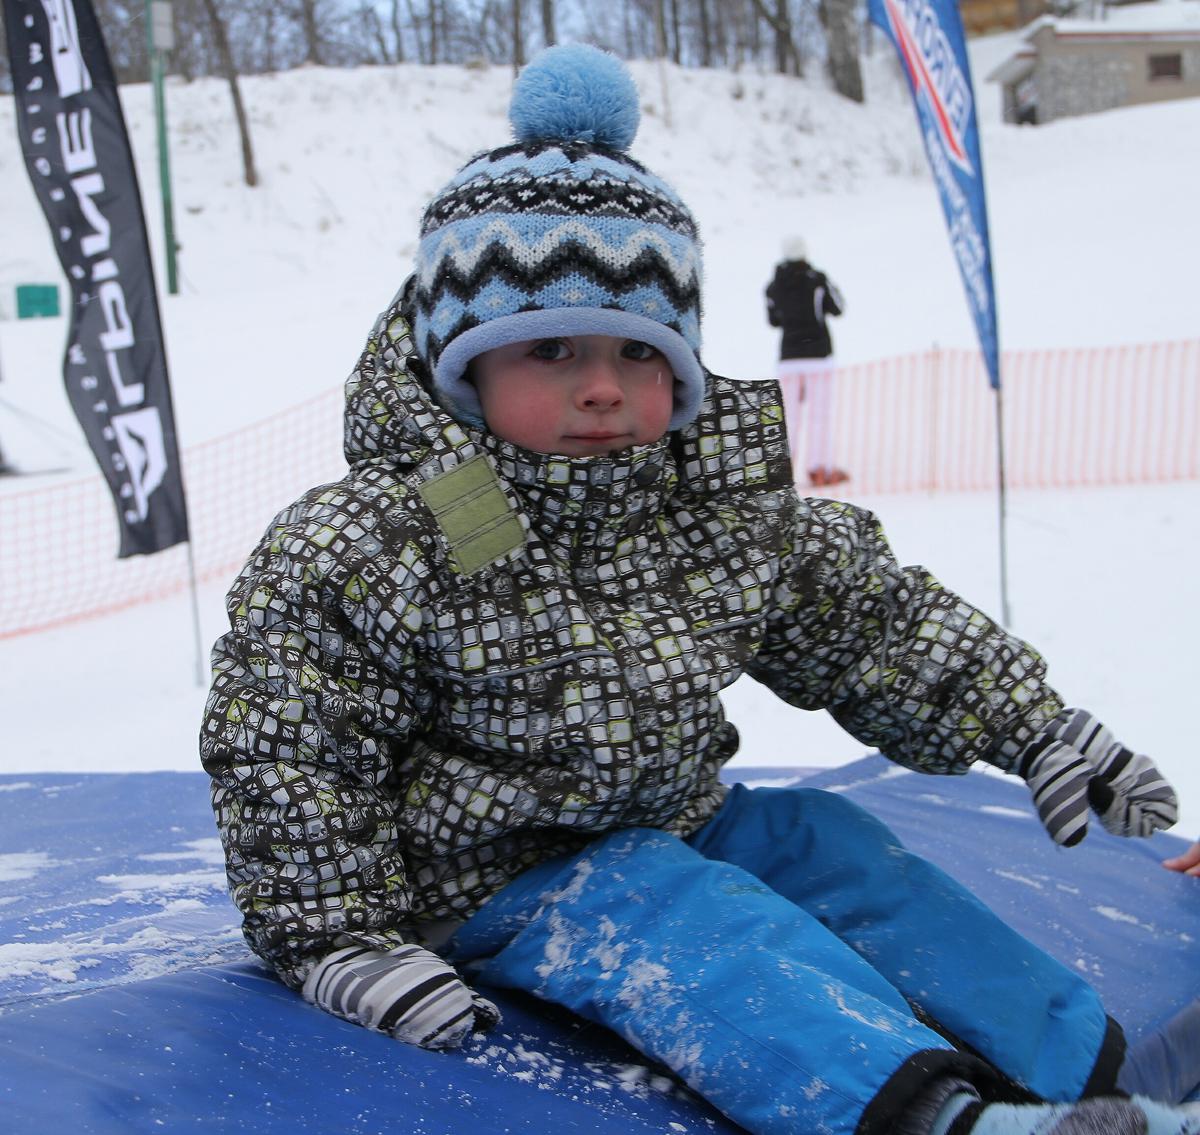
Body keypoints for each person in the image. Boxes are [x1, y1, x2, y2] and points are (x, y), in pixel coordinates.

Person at [200, 45, 1194, 1135]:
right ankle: (939, 1119)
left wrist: (1037, 727)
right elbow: (291, 738)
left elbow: (872, 623)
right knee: (685, 917)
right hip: (487, 877)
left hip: (679, 817)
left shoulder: (702, 509)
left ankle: (1097, 1080)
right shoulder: (386, 536)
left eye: (638, 352)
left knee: (831, 844)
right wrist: (337, 937)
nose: (602, 386)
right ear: (463, 366)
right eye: (551, 348)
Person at [765, 236, 847, 488]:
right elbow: (838, 307)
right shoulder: (817, 279)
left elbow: (773, 320)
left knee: (788, 415)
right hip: (818, 355)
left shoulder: (774, 286)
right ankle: (819, 469)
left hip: (788, 357)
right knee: (819, 413)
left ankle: (784, 469)